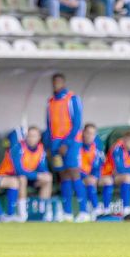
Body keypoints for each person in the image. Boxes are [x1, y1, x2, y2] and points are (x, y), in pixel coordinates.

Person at [47, 73, 83, 222]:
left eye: (59, 82)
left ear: (63, 82)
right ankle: (67, 212)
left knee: (74, 173)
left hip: (71, 142)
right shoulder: (50, 102)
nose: (56, 84)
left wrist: (66, 143)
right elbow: (49, 125)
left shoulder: (72, 98)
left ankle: (84, 211)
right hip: (55, 143)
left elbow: (77, 123)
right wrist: (51, 145)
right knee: (63, 176)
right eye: (54, 82)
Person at [0, 127, 53, 222]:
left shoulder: (41, 149)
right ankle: (22, 214)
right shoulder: (18, 147)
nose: (31, 138)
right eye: (29, 136)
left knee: (48, 178)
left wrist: (45, 174)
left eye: (34, 136)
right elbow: (19, 171)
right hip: (8, 175)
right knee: (22, 179)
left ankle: (44, 211)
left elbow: (42, 167)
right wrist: (38, 176)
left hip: (29, 176)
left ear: (39, 137)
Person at [79, 124, 109, 218]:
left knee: (108, 180)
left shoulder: (97, 146)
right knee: (90, 181)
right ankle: (96, 209)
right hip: (79, 176)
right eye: (88, 133)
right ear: (83, 133)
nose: (89, 136)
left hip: (93, 175)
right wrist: (86, 176)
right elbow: (75, 165)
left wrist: (95, 175)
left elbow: (99, 164)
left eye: (92, 134)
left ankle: (106, 209)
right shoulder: (77, 145)